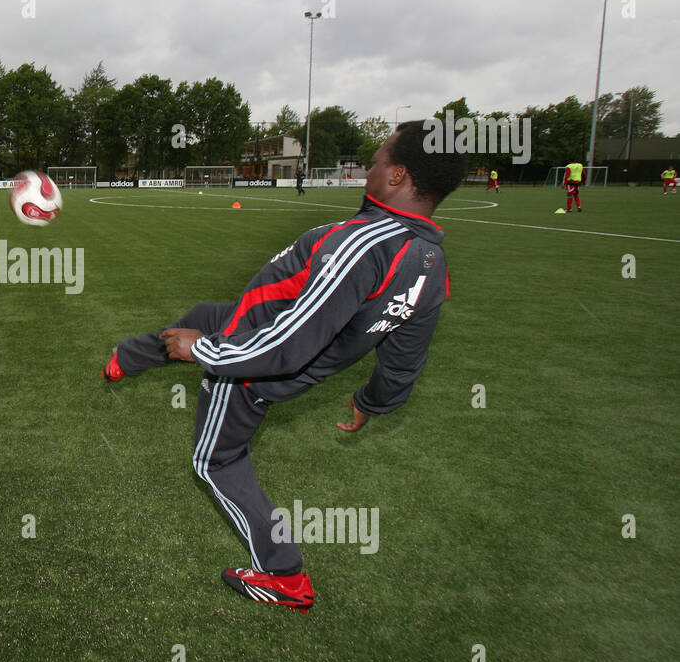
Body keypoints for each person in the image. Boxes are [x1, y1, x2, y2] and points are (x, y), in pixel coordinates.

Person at [101, 120, 465, 612]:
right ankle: (128, 358)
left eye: (377, 159)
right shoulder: (431, 261)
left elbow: (290, 344)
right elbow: (404, 356)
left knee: (216, 461)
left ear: (398, 175)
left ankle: (283, 574)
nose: (369, 168)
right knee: (201, 315)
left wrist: (206, 351)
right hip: (250, 326)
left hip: (250, 366)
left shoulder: (361, 245)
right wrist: (373, 402)